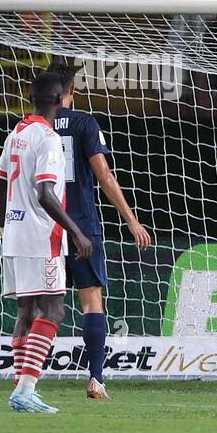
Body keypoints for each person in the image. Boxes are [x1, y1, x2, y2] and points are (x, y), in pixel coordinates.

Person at [45, 62, 153, 400]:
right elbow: (104, 176)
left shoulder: (32, 126)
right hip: (82, 228)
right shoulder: (83, 123)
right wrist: (131, 219)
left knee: (41, 305)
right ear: (71, 91)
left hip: (46, 228)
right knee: (91, 301)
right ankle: (95, 379)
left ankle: (26, 379)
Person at [0, 74, 94, 414]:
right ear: (61, 99)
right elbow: (47, 194)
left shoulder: (16, 133)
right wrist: (76, 232)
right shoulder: (49, 139)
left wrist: (9, 226)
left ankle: (20, 385)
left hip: (15, 236)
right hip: (41, 237)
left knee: (26, 311)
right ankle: (27, 388)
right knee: (53, 310)